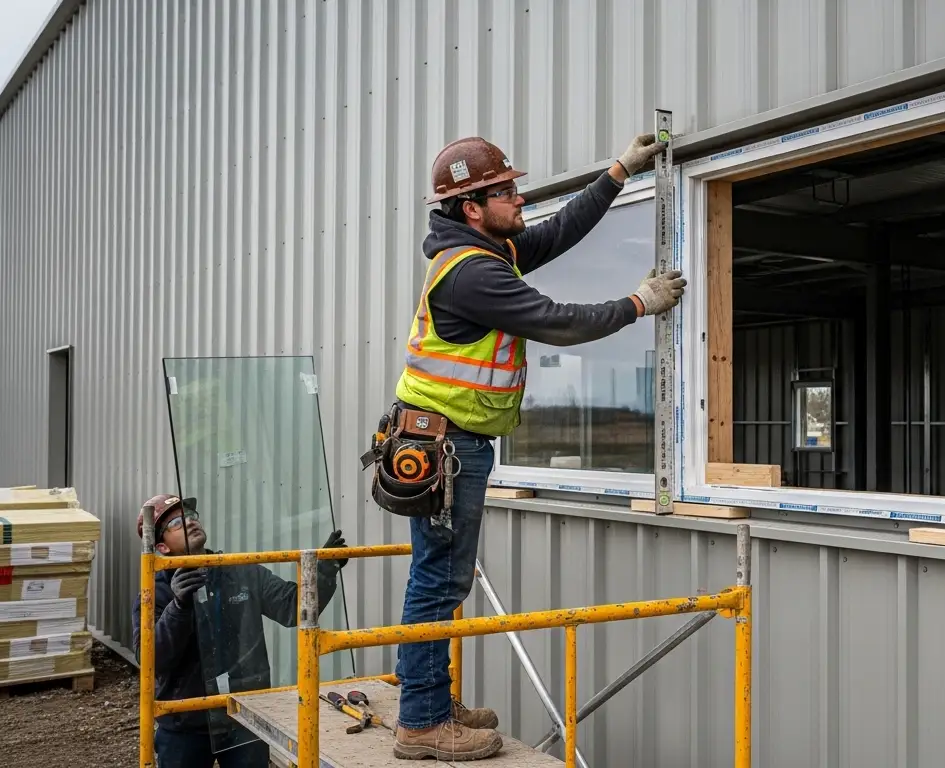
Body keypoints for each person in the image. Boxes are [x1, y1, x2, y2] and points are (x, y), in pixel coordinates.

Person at [378, 131, 685, 761]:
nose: (520, 200)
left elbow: (556, 234)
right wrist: (639, 302)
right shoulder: (472, 275)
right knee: (440, 580)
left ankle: (427, 695)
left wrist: (619, 172)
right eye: (507, 192)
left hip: (445, 439)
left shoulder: (484, 248)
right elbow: (559, 321)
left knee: (436, 576)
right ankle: (422, 721)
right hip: (446, 445)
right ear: (472, 207)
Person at [131, 494, 348, 768]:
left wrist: (324, 572)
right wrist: (179, 606)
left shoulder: (238, 570)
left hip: (244, 717)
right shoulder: (155, 593)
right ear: (161, 546)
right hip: (184, 723)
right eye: (176, 522)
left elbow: (291, 607)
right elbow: (152, 659)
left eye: (191, 516)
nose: (190, 522)